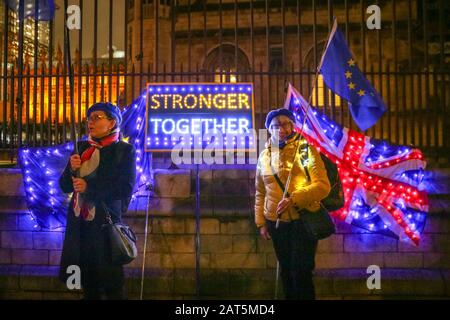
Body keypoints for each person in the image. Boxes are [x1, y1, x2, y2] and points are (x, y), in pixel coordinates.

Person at [59, 102, 136, 300]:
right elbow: (66, 186)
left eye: (97, 117)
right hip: (80, 226)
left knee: (112, 284)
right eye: (89, 118)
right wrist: (71, 167)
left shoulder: (123, 151)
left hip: (105, 226)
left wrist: (89, 188)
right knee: (88, 284)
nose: (90, 122)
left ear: (112, 123)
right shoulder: (82, 148)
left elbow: (124, 188)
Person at [254, 108, 330, 300]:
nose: (282, 129)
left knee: (301, 272)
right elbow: (260, 192)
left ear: (293, 125)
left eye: (286, 123)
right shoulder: (264, 156)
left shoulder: (306, 150)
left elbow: (322, 186)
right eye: (276, 125)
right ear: (269, 129)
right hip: (276, 223)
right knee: (286, 272)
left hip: (301, 221)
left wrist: (294, 199)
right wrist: (261, 222)